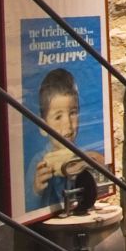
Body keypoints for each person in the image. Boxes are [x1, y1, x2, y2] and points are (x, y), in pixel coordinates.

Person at [32, 68, 84, 207]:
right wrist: (37, 190)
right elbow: (30, 206)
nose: (67, 124)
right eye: (58, 117)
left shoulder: (82, 157)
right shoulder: (38, 163)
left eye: (73, 113)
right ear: (43, 127)